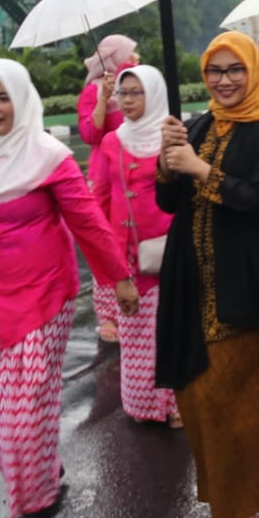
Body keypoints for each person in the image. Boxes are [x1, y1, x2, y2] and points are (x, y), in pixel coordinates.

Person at [0, 59, 138, 518]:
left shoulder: (46, 156)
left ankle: (38, 504)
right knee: (15, 404)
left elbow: (87, 221)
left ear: (22, 100)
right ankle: (42, 467)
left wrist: (120, 280)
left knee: (16, 420)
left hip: (43, 297)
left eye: (4, 97)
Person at [155, 31, 259, 518]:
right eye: (216, 71)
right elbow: (169, 202)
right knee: (194, 398)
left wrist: (200, 169)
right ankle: (223, 502)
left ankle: (243, 508)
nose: (225, 80)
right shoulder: (195, 125)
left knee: (232, 404)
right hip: (189, 284)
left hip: (242, 286)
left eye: (236, 70)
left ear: (253, 72)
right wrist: (166, 163)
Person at [91, 65, 181, 427]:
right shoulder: (113, 141)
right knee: (135, 332)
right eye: (122, 94)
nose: (126, 101)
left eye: (135, 93)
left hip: (166, 250)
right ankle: (143, 405)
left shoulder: (171, 136)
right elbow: (97, 195)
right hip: (123, 252)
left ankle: (174, 403)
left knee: (168, 327)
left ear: (154, 94)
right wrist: (100, 250)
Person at [79, 34, 140, 343]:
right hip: (104, 174)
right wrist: (104, 97)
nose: (138, 58)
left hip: (133, 169)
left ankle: (137, 300)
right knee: (106, 242)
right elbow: (90, 134)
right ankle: (108, 314)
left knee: (133, 235)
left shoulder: (132, 87)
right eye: (132, 54)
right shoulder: (93, 92)